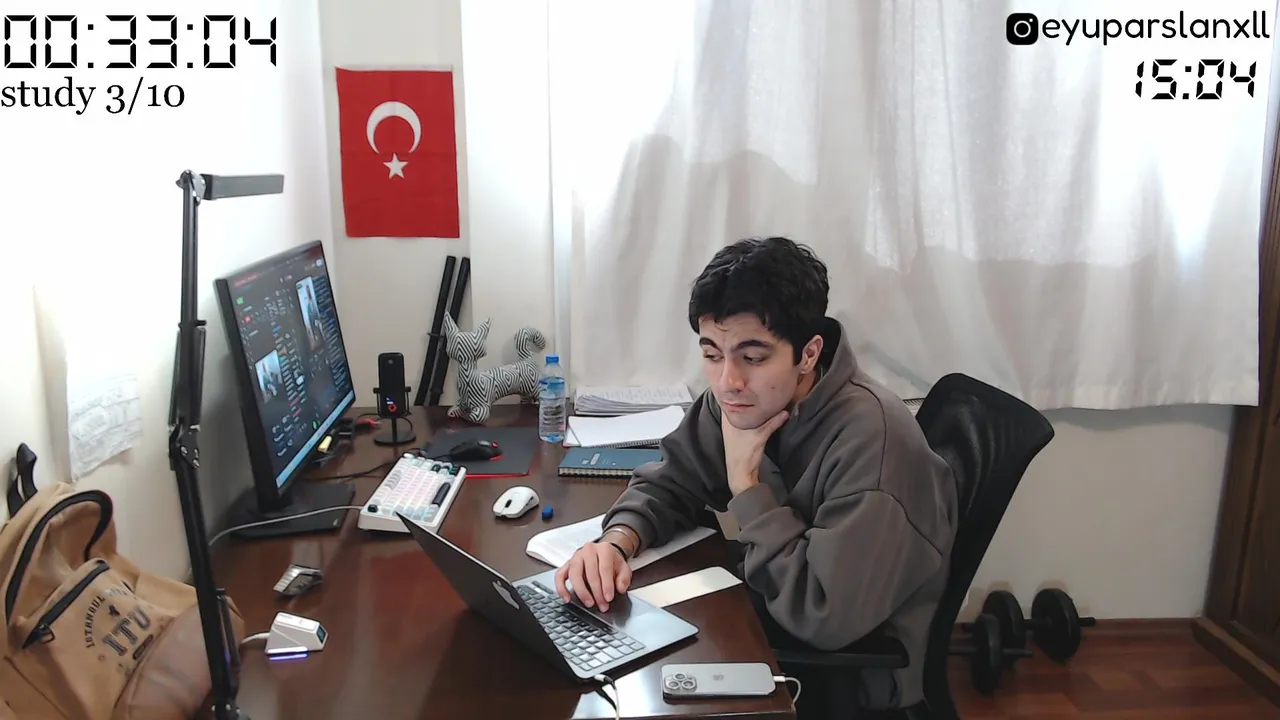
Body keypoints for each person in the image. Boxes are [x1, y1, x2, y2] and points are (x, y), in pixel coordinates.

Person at [553, 236, 957, 715]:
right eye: (712, 354)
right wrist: (616, 542)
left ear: (809, 354)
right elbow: (672, 480)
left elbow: (823, 615)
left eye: (753, 357)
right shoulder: (745, 399)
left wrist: (747, 487)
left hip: (846, 672)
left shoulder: (874, 443)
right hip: (772, 606)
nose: (728, 381)